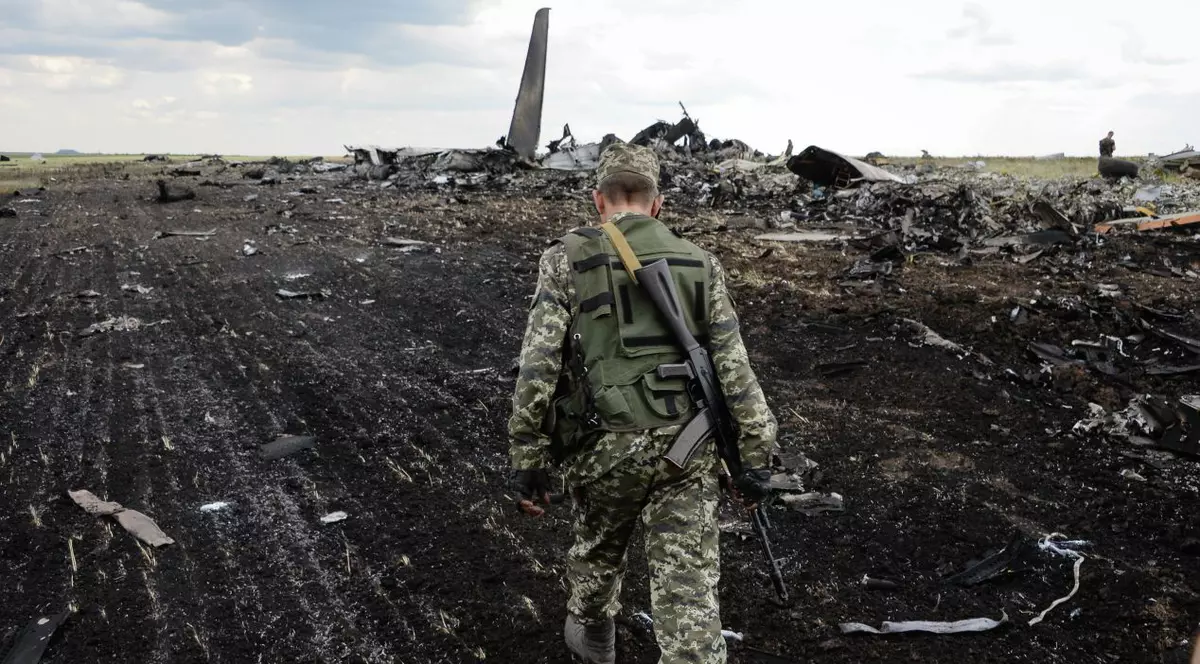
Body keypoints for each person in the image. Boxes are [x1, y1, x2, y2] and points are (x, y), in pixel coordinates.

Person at [506, 142, 778, 664]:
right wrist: (754, 457)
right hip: (688, 448)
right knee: (688, 589)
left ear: (597, 200)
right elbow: (736, 370)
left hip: (605, 447)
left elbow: (538, 364)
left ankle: (594, 636)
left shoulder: (565, 258)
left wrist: (528, 453)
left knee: (598, 555)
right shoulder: (703, 262)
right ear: (658, 204)